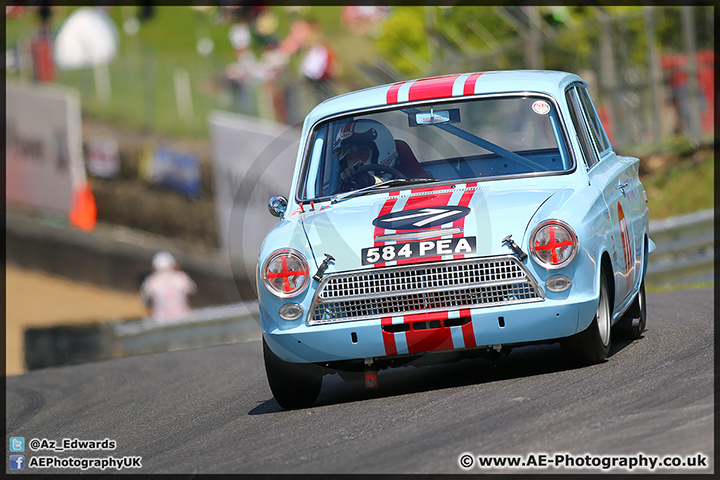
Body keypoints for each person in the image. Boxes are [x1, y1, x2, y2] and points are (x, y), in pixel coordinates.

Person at [140, 252, 197, 324]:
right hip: (182, 319)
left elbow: (145, 302)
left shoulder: (151, 282)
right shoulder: (181, 278)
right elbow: (191, 291)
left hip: (160, 321)